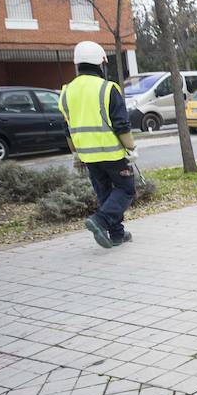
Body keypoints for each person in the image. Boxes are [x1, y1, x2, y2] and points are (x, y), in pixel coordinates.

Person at [59, 40, 140, 249]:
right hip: (111, 153)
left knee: (104, 192)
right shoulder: (107, 88)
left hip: (87, 155)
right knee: (126, 189)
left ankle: (117, 235)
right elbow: (121, 124)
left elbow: (67, 127)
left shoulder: (67, 91)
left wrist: (75, 153)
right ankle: (100, 221)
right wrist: (131, 147)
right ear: (100, 63)